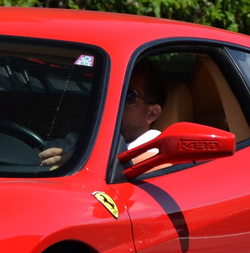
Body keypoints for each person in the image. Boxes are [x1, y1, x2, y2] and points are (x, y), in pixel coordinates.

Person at [37, 57, 166, 169]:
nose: (115, 99)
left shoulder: (154, 151)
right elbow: (33, 154)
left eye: (128, 95)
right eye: (112, 90)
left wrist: (74, 167)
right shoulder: (83, 140)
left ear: (152, 114)